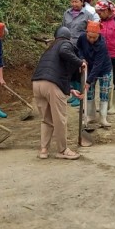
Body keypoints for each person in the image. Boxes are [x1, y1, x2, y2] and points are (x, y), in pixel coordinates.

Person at [31, 26, 86, 160]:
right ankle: (62, 150)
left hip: (37, 84)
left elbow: (59, 71)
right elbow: (64, 52)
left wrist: (70, 89)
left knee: (46, 120)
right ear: (68, 37)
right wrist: (81, 63)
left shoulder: (49, 49)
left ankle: (44, 150)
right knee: (59, 119)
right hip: (51, 84)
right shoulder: (65, 44)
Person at [77, 21, 113, 141]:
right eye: (89, 36)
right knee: (89, 92)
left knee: (104, 93)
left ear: (98, 35)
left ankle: (103, 117)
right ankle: (90, 116)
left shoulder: (102, 44)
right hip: (88, 67)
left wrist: (88, 81)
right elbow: (79, 48)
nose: (91, 39)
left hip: (104, 69)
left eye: (94, 37)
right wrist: (82, 58)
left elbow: (98, 65)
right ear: (86, 33)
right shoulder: (82, 38)